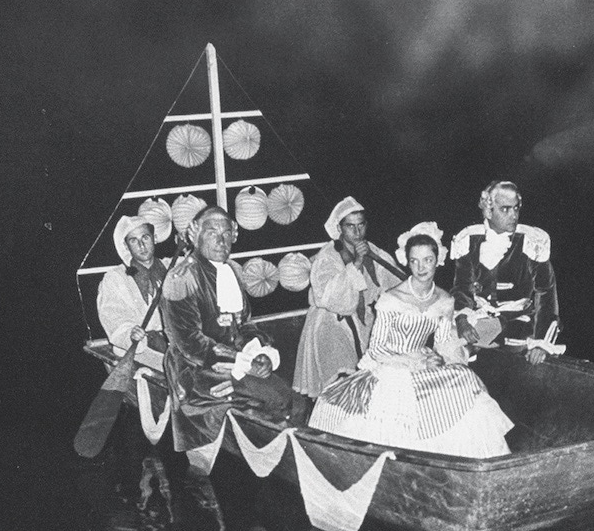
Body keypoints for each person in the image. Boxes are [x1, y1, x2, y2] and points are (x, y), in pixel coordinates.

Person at [309, 223, 512, 457]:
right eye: (414, 261)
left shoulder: (445, 300)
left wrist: (442, 358)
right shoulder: (392, 298)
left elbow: (445, 343)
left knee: (465, 380)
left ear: (438, 259)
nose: (420, 267)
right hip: (391, 367)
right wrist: (416, 361)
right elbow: (376, 350)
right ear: (407, 261)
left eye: (427, 260)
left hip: (424, 365)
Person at [161, 206, 307, 472]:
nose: (221, 240)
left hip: (235, 362)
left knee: (296, 401)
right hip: (197, 371)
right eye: (212, 232)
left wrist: (259, 351)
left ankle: (270, 453)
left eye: (226, 233)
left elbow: (243, 325)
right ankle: (262, 456)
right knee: (280, 398)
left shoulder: (232, 273)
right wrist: (243, 362)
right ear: (195, 236)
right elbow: (189, 343)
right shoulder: (180, 279)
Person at [293, 196, 402, 398]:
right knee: (340, 387)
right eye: (350, 226)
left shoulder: (374, 252)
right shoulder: (327, 256)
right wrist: (357, 264)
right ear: (340, 228)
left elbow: (395, 284)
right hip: (331, 326)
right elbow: (331, 297)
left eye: (361, 225)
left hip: (363, 326)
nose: (357, 231)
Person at [449, 180, 559, 365]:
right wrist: (462, 320)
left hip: (518, 325)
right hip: (479, 320)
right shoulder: (469, 239)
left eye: (516, 208)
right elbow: (462, 287)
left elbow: (546, 296)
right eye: (505, 209)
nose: (513, 216)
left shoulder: (533, 243)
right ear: (488, 210)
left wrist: (541, 343)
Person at [97, 216, 170, 369]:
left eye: (145, 237)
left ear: (155, 238)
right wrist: (130, 332)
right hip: (139, 350)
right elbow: (113, 317)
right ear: (126, 245)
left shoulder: (171, 268)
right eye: (133, 241)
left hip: (171, 343)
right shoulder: (115, 278)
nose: (142, 245)